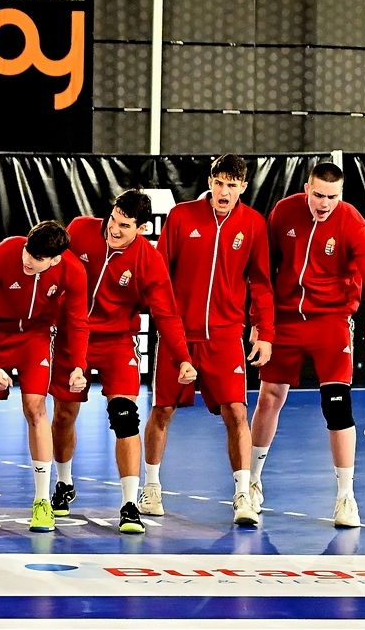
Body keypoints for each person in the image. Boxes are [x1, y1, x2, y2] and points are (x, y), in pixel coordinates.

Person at [253, 162, 365, 528]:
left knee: (337, 404)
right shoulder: (284, 212)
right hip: (285, 319)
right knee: (270, 397)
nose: (324, 203)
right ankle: (251, 483)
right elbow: (263, 270)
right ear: (306, 189)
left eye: (332, 196)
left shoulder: (352, 223)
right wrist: (260, 323)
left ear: (341, 195)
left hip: (330, 321)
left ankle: (346, 497)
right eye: (318, 195)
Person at [143, 155, 274, 527]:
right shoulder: (181, 217)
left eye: (232, 185)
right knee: (162, 411)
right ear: (210, 182)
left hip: (225, 336)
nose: (224, 191)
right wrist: (168, 326)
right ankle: (151, 487)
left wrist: (264, 332)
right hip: (179, 335)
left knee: (237, 413)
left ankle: (243, 494)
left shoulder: (253, 224)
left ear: (243, 187)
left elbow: (261, 283)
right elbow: (159, 275)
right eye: (219, 183)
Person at [58, 190, 196, 533]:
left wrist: (183, 358)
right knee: (64, 415)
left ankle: (129, 505)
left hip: (117, 342)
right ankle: (63, 482)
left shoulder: (149, 261)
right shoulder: (80, 230)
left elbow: (167, 315)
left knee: (125, 417)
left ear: (142, 228)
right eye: (113, 220)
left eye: (124, 225)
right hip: (73, 337)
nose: (114, 230)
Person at [0, 221, 89, 532]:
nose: (27, 260)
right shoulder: (1, 255)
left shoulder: (72, 271)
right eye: (27, 251)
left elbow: (78, 320)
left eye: (37, 258)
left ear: (55, 260)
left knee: (35, 409)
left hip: (35, 337)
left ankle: (42, 500)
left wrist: (79, 365)